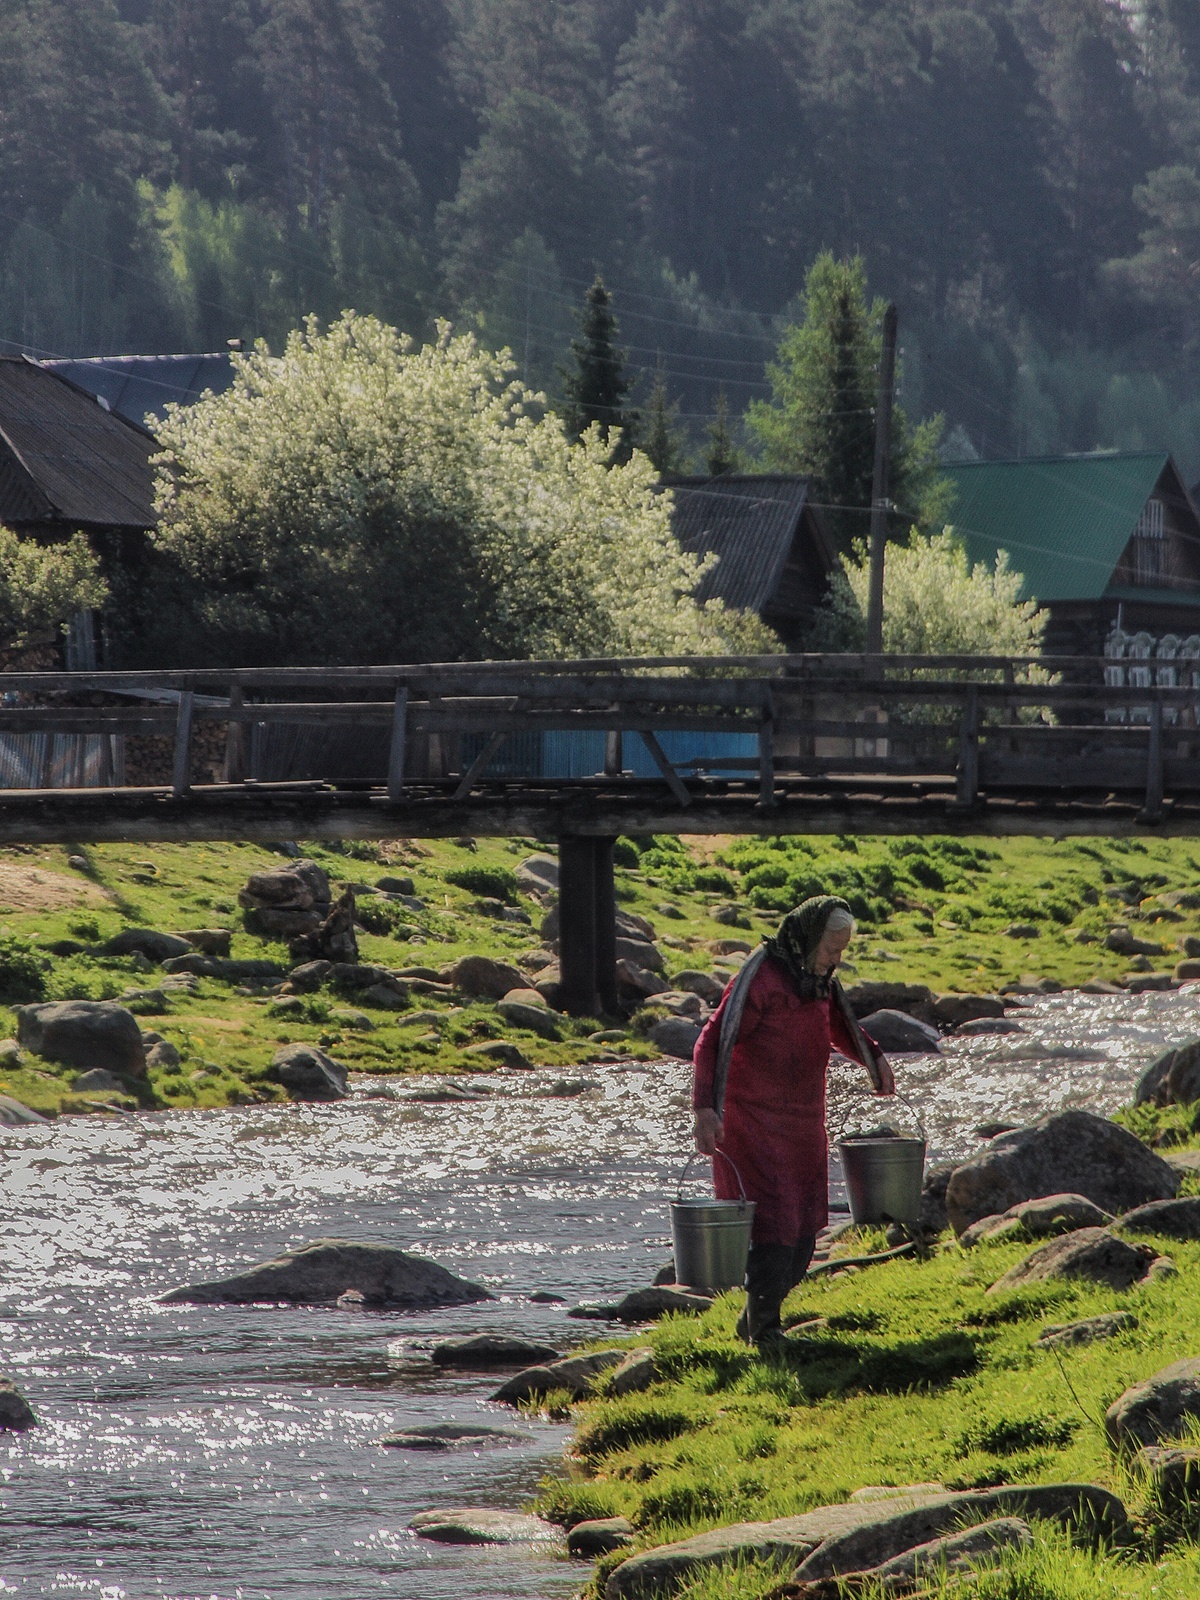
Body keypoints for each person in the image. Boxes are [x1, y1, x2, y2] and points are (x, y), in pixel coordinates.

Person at [692, 894, 895, 1348]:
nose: (836, 960)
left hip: (803, 1123)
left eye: (842, 951)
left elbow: (837, 1025)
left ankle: (756, 1321)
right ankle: (764, 1332)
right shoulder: (763, 978)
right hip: (755, 1124)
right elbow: (712, 1041)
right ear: (807, 939)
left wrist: (873, 1057)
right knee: (774, 1228)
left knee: (804, 1232)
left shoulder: (816, 979)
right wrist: (705, 1109)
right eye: (831, 950)